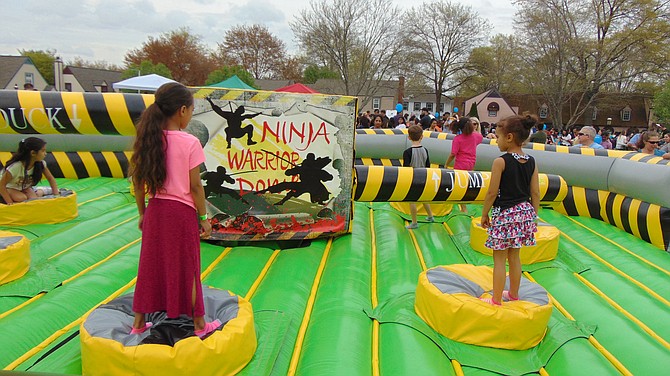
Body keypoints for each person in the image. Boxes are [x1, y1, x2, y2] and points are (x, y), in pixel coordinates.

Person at [129, 83, 219, 338]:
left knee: (149, 264)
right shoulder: (189, 142)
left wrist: (143, 213)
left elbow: (138, 184)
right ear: (181, 111)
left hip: (156, 209)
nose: (190, 116)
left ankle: (138, 322)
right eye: (190, 111)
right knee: (189, 266)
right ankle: (200, 325)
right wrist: (203, 217)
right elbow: (195, 186)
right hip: (180, 213)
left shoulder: (148, 139)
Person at [480, 114, 540, 306]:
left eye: (497, 136)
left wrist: (484, 213)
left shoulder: (501, 161)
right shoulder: (531, 161)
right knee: (514, 256)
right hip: (524, 212)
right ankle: (513, 294)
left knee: (499, 258)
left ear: (509, 137)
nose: (495, 140)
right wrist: (534, 216)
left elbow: (492, 192)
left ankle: (496, 299)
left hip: (505, 213)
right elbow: (536, 192)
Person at [0, 137, 59, 205]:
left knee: (34, 200)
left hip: (23, 187)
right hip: (8, 187)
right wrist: (10, 203)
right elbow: (1, 185)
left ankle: (40, 191)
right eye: (43, 151)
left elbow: (50, 178)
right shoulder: (15, 167)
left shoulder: (41, 164)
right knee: (21, 198)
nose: (45, 153)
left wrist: (56, 195)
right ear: (33, 153)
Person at [445, 117, 483, 212]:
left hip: (460, 164)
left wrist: (446, 164)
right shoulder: (476, 137)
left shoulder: (458, 139)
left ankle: (463, 208)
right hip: (471, 163)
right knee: (466, 184)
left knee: (459, 185)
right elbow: (480, 137)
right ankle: (464, 206)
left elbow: (453, 154)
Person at [403, 125, 434, 229]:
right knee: (424, 197)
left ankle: (414, 222)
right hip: (424, 177)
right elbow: (428, 165)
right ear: (422, 137)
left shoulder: (407, 152)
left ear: (409, 137)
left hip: (413, 178)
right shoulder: (425, 150)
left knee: (412, 200)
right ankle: (430, 216)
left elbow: (406, 168)